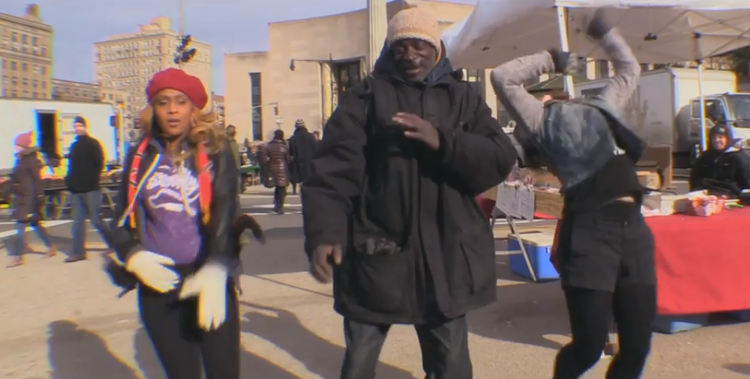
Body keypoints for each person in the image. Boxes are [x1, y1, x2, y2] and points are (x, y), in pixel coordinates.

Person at [302, 7, 517, 379]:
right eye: (401, 47)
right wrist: (325, 232)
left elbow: (499, 157)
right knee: (358, 364)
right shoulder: (365, 98)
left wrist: (443, 141)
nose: (411, 55)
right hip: (376, 253)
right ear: (390, 50)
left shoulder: (462, 98)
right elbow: (333, 172)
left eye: (420, 46)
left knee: (451, 365)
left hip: (444, 259)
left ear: (436, 50)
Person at [492, 10, 654, 379]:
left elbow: (629, 69)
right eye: (545, 93)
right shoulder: (538, 120)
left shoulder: (603, 105)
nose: (554, 95)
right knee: (589, 346)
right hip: (589, 233)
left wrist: (605, 34)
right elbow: (503, 77)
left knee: (638, 345)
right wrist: (550, 59)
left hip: (633, 229)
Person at [108, 68, 241, 379]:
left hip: (207, 279)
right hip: (159, 284)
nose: (171, 110)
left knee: (224, 372)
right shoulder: (139, 156)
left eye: (180, 101)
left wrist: (218, 266)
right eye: (163, 102)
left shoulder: (216, 153)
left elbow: (226, 214)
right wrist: (132, 254)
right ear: (153, 108)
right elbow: (119, 217)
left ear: (194, 108)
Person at [65, 116, 114, 263]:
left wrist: (93, 179)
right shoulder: (74, 146)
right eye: (75, 126)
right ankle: (78, 252)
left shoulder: (93, 144)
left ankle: (114, 243)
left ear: (85, 127)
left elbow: (100, 163)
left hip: (91, 189)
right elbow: (71, 167)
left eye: (80, 126)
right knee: (77, 222)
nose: (77, 128)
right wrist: (69, 181)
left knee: (95, 219)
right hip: (76, 190)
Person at [5, 132, 57, 268]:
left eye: (17, 145)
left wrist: (39, 197)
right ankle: (51, 247)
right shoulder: (20, 159)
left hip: (29, 197)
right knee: (35, 223)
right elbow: (18, 177)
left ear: (22, 145)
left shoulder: (30, 159)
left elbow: (37, 179)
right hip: (22, 197)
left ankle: (18, 257)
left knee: (21, 225)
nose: (15, 147)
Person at [689, 123, 750, 196]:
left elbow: (746, 184)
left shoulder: (739, 158)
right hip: (707, 197)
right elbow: (694, 179)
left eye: (720, 137)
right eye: (714, 138)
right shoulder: (705, 157)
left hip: (732, 199)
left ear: (728, 139)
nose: (717, 140)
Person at [261, 130, 290, 214]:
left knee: (277, 187)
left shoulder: (268, 146)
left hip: (272, 168)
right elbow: (287, 159)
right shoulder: (285, 146)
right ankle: (280, 206)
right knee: (282, 188)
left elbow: (263, 159)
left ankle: (276, 204)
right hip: (282, 169)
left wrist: (267, 165)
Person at [288, 118, 317, 195]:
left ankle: (299, 189)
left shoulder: (293, 139)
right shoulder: (311, 137)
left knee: (300, 178)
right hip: (309, 161)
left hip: (298, 162)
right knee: (309, 177)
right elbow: (315, 149)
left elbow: (290, 153)